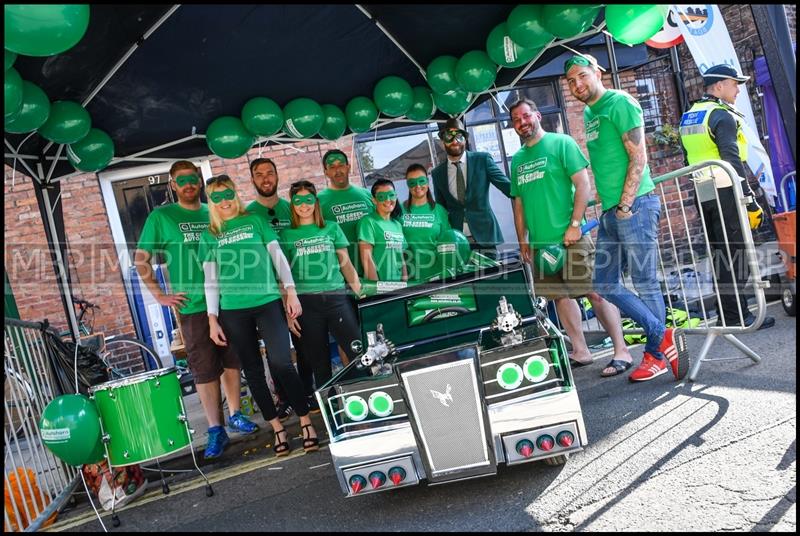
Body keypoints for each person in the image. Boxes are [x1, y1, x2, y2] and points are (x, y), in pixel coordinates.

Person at [565, 54, 687, 382]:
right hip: (611, 212)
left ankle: (655, 355)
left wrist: (624, 206)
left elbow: (639, 157)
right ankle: (663, 335)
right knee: (603, 282)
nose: (577, 85)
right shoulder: (590, 112)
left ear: (597, 73)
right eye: (571, 82)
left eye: (581, 76)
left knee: (645, 281)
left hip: (633, 207)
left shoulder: (619, 103)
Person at [133, 161, 257, 461]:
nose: (189, 184)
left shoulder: (214, 210)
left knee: (232, 359)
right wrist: (160, 296)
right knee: (203, 368)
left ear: (200, 182)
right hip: (193, 306)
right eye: (182, 180)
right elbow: (141, 259)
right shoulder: (162, 216)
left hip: (229, 299)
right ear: (172, 185)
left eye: (193, 178)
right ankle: (216, 429)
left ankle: (236, 413)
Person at [508, 98, 634, 376]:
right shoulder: (517, 160)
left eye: (526, 116)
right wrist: (522, 240)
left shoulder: (561, 143)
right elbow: (518, 204)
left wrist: (575, 223)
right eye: (516, 119)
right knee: (560, 297)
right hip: (542, 245)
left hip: (571, 236)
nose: (522, 123)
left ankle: (621, 350)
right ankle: (581, 350)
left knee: (595, 291)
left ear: (537, 115)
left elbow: (583, 184)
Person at [199, 175, 319, 456]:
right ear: (211, 201)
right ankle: (276, 427)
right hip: (233, 310)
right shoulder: (210, 235)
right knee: (252, 370)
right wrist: (212, 318)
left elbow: (278, 257)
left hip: (267, 302)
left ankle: (305, 420)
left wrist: (291, 292)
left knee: (281, 363)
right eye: (216, 197)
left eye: (227, 194)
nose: (224, 201)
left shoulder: (255, 221)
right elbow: (210, 280)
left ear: (235, 193)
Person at [678, 63, 775, 330]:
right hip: (726, 190)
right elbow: (731, 159)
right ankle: (738, 316)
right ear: (719, 86)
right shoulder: (721, 115)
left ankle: (728, 314)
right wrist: (749, 199)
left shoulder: (691, 115)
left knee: (719, 253)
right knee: (736, 253)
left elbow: (688, 156)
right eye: (735, 85)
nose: (738, 91)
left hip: (703, 191)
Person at [245, 157, 318, 417]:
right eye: (259, 174)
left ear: (277, 176)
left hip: (298, 289)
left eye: (269, 173)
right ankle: (284, 397)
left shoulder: (293, 208)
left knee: (304, 342)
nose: (265, 178)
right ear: (252, 180)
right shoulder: (248, 215)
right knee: (276, 353)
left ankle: (307, 392)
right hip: (268, 293)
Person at [279, 180, 364, 388]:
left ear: (316, 202)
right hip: (307, 305)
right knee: (320, 363)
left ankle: (363, 398)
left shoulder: (331, 228)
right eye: (298, 201)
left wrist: (362, 295)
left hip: (337, 298)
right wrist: (288, 313)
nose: (304, 205)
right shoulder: (286, 235)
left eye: (308, 200)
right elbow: (283, 276)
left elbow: (347, 266)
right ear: (292, 204)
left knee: (358, 353)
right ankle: (331, 410)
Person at [430, 117, 512, 258]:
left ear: (466, 140)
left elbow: (509, 188)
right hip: (457, 241)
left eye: (460, 137)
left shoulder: (483, 160)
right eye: (449, 137)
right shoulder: (437, 173)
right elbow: (441, 210)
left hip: (485, 236)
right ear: (443, 141)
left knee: (491, 278)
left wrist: (530, 191)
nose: (455, 141)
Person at [317, 149, 375, 276]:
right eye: (332, 167)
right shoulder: (318, 201)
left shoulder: (367, 195)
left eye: (341, 165)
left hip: (375, 270)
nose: (338, 171)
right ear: (326, 172)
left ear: (348, 167)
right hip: (342, 274)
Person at [401, 163, 452, 281]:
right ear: (408, 185)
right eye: (412, 183)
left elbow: (448, 243)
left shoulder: (439, 211)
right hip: (411, 276)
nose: (417, 186)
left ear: (427, 183)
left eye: (421, 181)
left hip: (439, 275)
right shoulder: (400, 211)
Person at [358, 179, 407, 282]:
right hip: (381, 289)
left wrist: (404, 282)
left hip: (399, 287)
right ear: (374, 200)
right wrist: (377, 289)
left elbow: (401, 258)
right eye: (381, 197)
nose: (388, 200)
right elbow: (367, 259)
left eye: (391, 195)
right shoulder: (368, 222)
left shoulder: (397, 225)